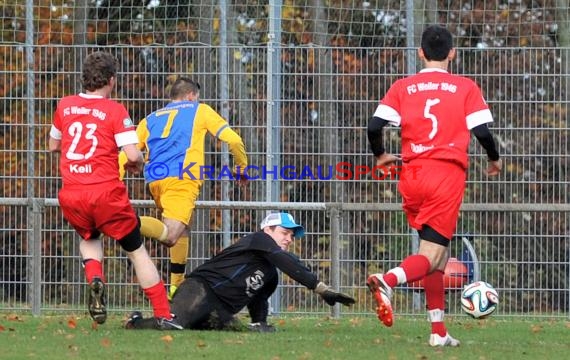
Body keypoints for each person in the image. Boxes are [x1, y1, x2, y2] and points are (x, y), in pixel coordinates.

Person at [366, 25, 502, 347]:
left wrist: (382, 155)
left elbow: (374, 126)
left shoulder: (403, 86)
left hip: (412, 174)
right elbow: (481, 132)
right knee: (431, 253)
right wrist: (494, 159)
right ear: (452, 53)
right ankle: (387, 280)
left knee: (439, 258)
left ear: (421, 52)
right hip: (445, 175)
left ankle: (438, 332)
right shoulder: (465, 87)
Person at [48, 51, 182, 330]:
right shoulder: (115, 110)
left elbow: (53, 145)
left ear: (84, 78)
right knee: (136, 250)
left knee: (89, 236)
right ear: (111, 80)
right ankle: (164, 314)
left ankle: (95, 277)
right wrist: (139, 163)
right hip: (106, 192)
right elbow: (132, 155)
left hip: (72, 192)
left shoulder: (65, 105)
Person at [119, 77, 248, 299]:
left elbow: (125, 154)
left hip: (155, 181)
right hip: (182, 178)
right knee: (170, 235)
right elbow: (234, 140)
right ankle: (121, 220)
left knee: (181, 231)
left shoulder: (150, 119)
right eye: (196, 97)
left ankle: (175, 288)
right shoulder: (200, 110)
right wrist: (241, 167)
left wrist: (116, 182)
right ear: (191, 96)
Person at [124, 212, 356, 331]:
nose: (289, 239)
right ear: (268, 229)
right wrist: (322, 289)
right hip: (200, 290)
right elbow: (287, 261)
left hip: (220, 310)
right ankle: (135, 322)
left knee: (240, 329)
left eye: (292, 236)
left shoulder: (271, 273)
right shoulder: (259, 239)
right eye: (285, 232)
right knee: (173, 325)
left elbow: (259, 298)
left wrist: (260, 323)